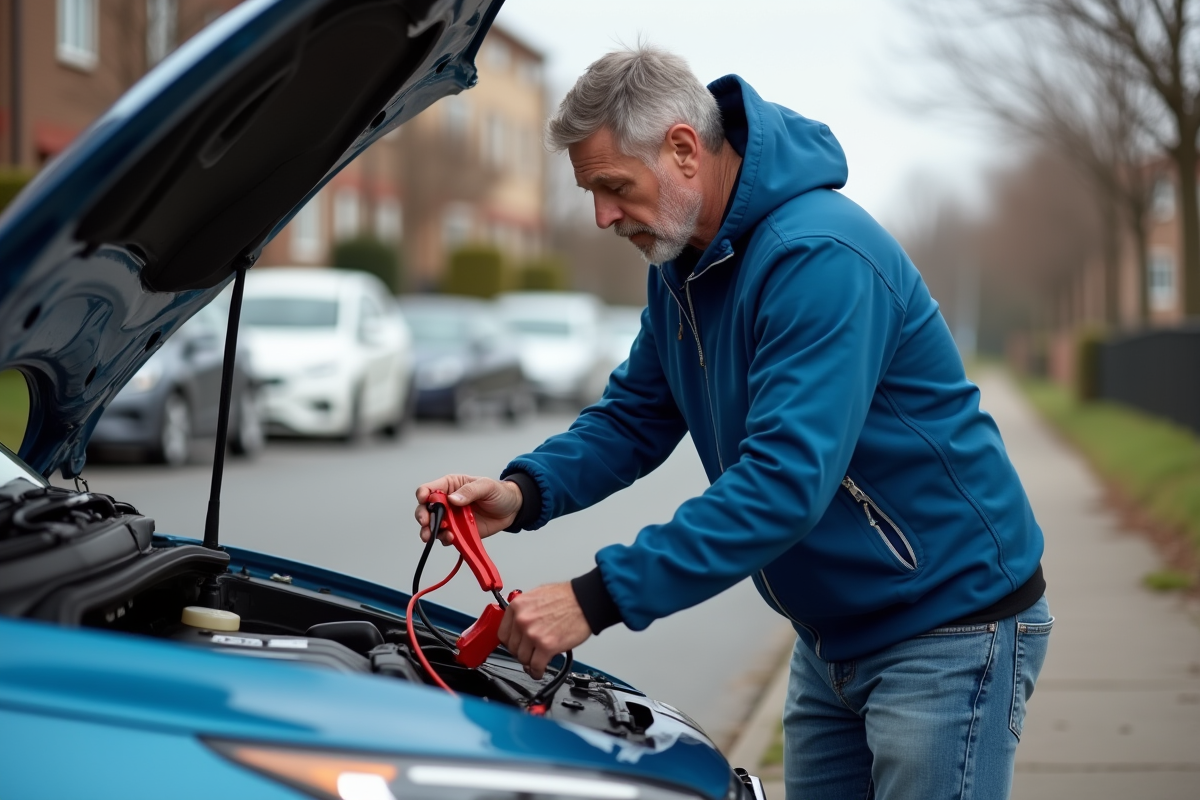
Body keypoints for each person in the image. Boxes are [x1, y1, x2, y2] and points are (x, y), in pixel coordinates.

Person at [414, 44, 1051, 800]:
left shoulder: (819, 257)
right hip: (829, 635)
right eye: (591, 193)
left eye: (613, 187)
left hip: (946, 624)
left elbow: (783, 483)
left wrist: (595, 597)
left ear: (683, 149)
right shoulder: (682, 264)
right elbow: (635, 416)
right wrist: (523, 492)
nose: (602, 216)